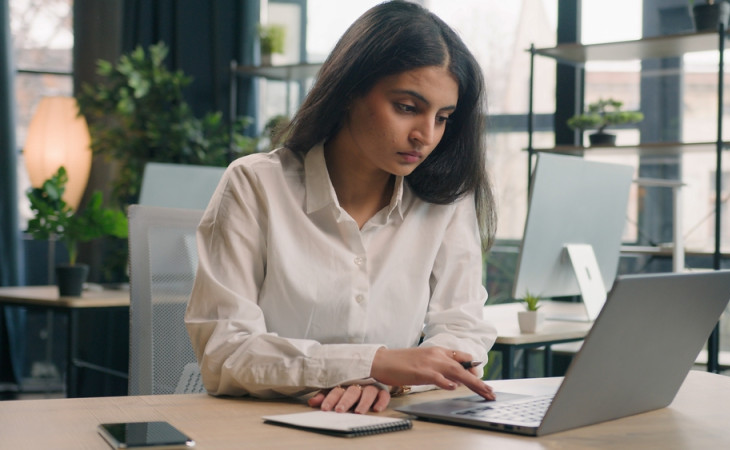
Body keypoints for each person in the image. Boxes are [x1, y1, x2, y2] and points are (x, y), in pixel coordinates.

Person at [185, 0, 497, 414]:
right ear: (350, 91)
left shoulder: (444, 201)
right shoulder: (254, 185)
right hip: (270, 427)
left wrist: (388, 382)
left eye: (443, 118)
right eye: (407, 108)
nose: (425, 134)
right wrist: (373, 364)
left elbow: (464, 330)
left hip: (390, 425)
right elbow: (225, 353)